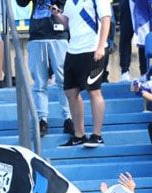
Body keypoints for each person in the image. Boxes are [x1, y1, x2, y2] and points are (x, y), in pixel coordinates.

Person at [53, 0, 110, 147]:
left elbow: (106, 19)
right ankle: (79, 134)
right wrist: (58, 15)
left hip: (92, 49)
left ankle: (97, 135)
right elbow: (68, 23)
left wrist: (100, 47)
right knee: (71, 92)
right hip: (73, 50)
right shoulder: (69, 1)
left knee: (94, 91)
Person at [18, 0, 72, 136]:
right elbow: (21, 3)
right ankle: (42, 120)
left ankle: (69, 118)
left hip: (58, 34)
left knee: (64, 80)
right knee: (39, 83)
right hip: (37, 35)